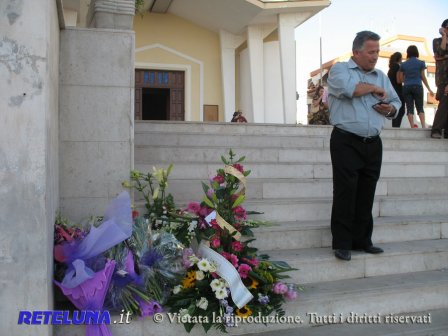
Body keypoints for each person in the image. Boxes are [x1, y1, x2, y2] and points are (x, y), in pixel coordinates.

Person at [327, 31, 401, 261]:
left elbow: (396, 102)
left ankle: (363, 240)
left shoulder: (381, 75)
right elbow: (351, 90)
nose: (375, 56)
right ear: (356, 52)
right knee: (345, 191)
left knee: (366, 192)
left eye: (377, 52)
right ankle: (342, 243)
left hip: (373, 143)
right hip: (346, 140)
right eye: (371, 52)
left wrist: (390, 109)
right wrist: (373, 89)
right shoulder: (340, 70)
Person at [397, 45, 434, 128]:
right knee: (420, 107)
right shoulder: (421, 63)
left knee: (409, 108)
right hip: (417, 86)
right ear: (416, 52)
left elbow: (400, 78)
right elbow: (423, 77)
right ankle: (423, 126)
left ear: (408, 53)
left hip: (406, 87)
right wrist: (429, 89)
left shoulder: (403, 64)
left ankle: (412, 126)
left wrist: (406, 80)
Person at [431, 19, 448, 139]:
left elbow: (440, 56)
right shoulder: (437, 41)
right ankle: (436, 129)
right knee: (445, 102)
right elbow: (441, 51)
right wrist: (444, 36)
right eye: (447, 28)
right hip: (442, 78)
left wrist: (441, 57)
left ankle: (445, 132)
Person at [387, 52, 406, 127]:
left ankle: (395, 127)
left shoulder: (390, 68)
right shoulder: (398, 67)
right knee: (401, 110)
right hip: (398, 90)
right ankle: (396, 127)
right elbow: (399, 80)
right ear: (400, 58)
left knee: (395, 109)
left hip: (391, 91)